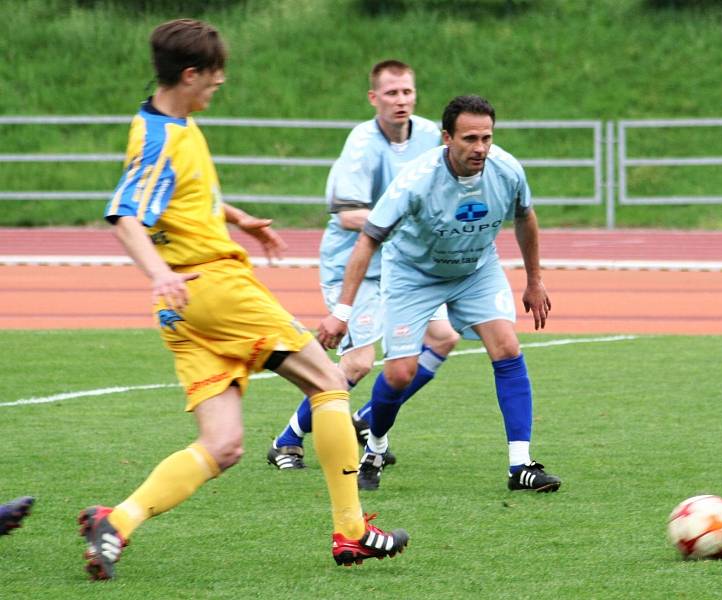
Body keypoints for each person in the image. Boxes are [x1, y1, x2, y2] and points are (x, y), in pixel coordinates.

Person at [78, 19, 408, 581]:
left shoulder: (173, 124)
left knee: (223, 444)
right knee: (329, 380)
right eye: (213, 75)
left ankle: (118, 522)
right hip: (212, 288)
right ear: (189, 74)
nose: (220, 82)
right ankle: (351, 531)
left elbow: (184, 198)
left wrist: (237, 219)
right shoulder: (160, 137)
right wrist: (158, 271)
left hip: (185, 312)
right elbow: (126, 214)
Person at [318, 95, 562, 493]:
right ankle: (375, 447)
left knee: (507, 347)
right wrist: (342, 311)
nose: (480, 148)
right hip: (413, 275)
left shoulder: (506, 170)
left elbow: (525, 217)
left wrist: (534, 280)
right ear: (447, 138)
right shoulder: (416, 180)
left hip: (475, 269)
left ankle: (521, 465)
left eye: (486, 138)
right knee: (399, 374)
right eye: (470, 138)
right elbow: (367, 240)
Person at [267, 60, 460, 475]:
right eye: (391, 93)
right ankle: (287, 438)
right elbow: (348, 214)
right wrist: (409, 220)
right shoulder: (361, 143)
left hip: (404, 264)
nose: (401, 100)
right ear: (374, 98)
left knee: (443, 338)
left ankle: (370, 416)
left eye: (407, 92)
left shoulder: (430, 135)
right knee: (356, 363)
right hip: (355, 266)